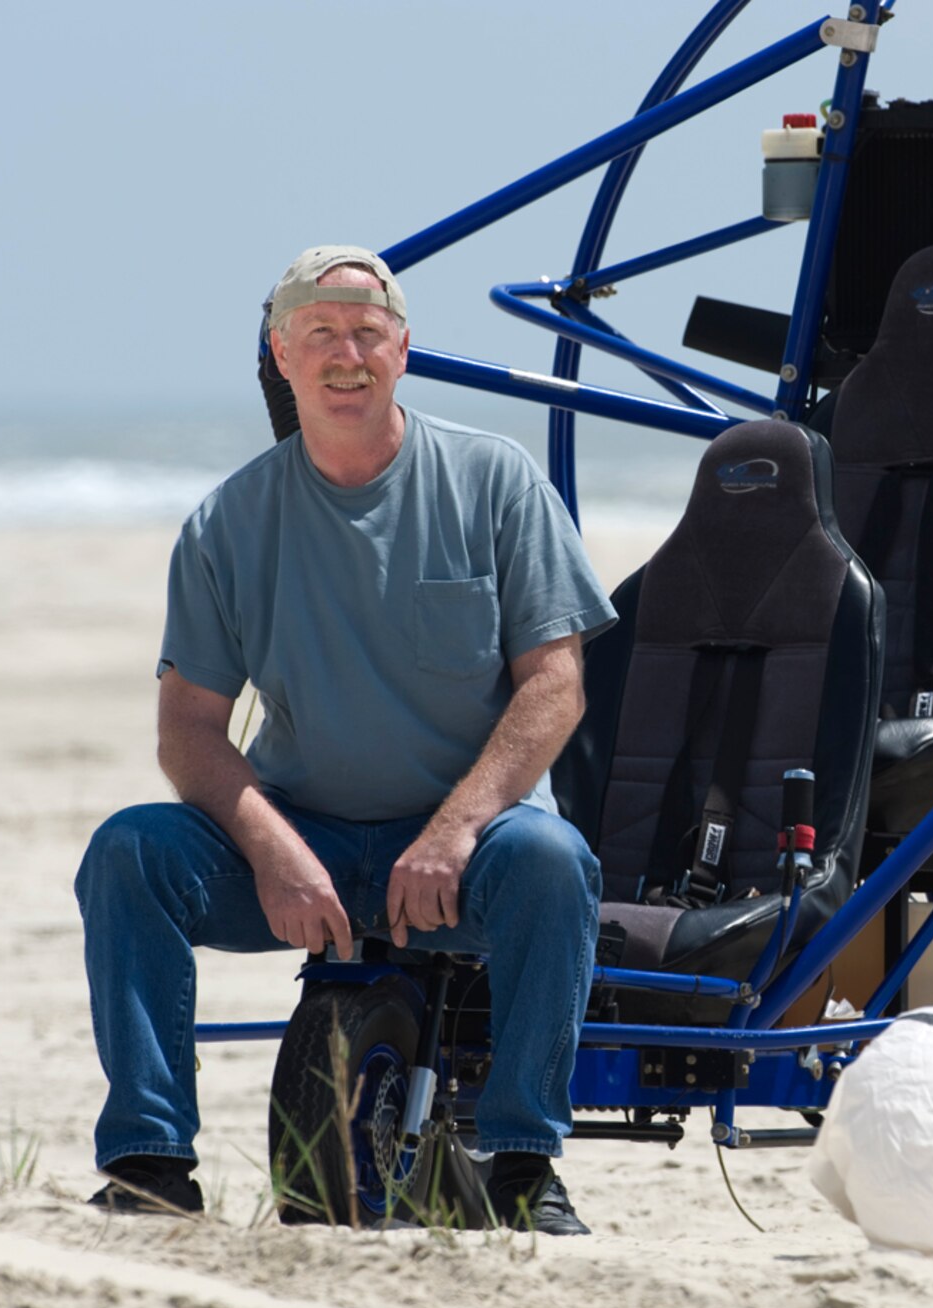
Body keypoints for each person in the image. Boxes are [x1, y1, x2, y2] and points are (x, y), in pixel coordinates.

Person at [74, 245, 615, 1235]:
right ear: (281, 355)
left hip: (467, 848)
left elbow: (556, 685)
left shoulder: (495, 480)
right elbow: (189, 727)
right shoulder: (228, 521)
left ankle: (522, 1161)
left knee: (554, 859)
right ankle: (150, 1161)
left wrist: (453, 830)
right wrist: (272, 852)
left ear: (403, 348)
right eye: (318, 332)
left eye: (367, 331)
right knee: (129, 852)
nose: (345, 352)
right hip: (305, 843)